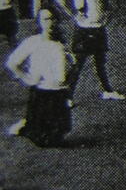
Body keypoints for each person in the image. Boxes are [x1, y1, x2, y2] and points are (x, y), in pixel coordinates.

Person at [55, 0, 125, 101]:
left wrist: (106, 18)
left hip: (98, 28)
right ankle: (67, 97)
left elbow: (108, 4)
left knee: (100, 63)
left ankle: (107, 91)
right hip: (83, 30)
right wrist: (73, 15)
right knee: (78, 64)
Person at [5, 8, 75, 147]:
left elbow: (65, 75)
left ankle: (29, 123)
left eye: (52, 19)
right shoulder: (33, 42)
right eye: (45, 19)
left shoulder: (60, 44)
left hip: (59, 94)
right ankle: (27, 124)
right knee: (42, 141)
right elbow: (12, 63)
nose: (50, 23)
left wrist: (71, 65)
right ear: (39, 22)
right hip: (41, 93)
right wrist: (27, 79)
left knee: (58, 136)